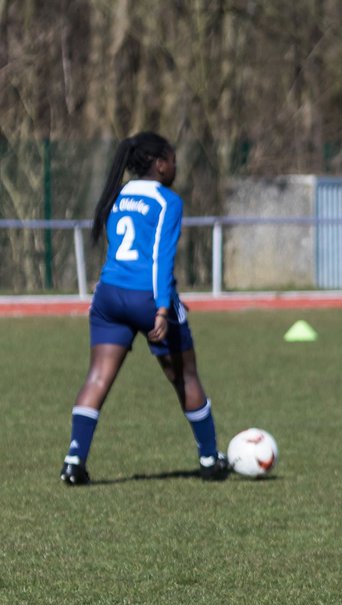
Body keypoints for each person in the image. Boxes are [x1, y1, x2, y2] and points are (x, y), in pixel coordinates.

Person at [59, 131, 228, 485]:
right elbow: (162, 261)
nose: (176, 166)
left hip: (108, 295)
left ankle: (74, 460)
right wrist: (163, 310)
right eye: (173, 160)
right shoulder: (168, 201)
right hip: (148, 299)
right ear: (160, 164)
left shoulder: (116, 194)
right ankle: (211, 460)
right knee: (185, 376)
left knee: (98, 376)